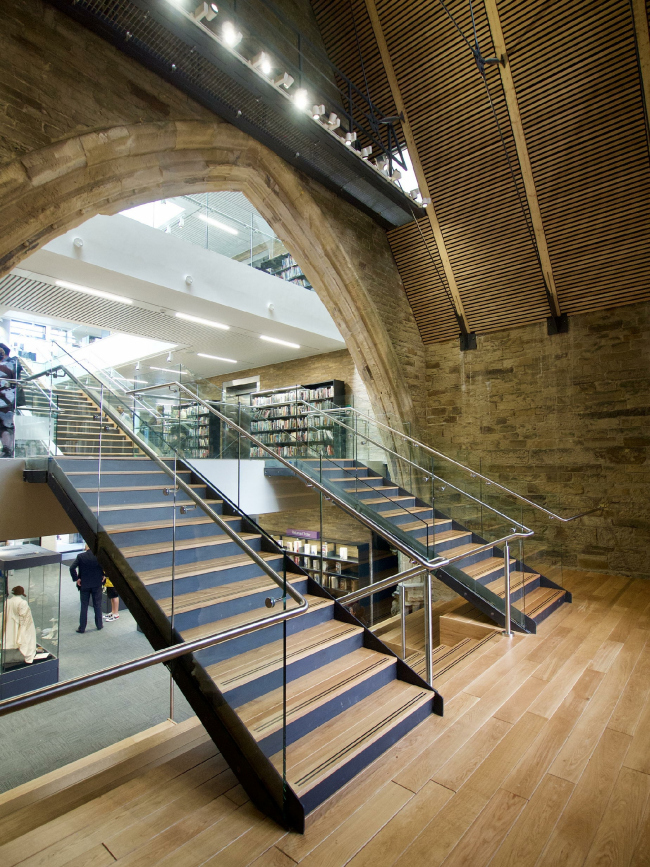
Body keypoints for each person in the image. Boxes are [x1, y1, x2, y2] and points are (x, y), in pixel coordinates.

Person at [69, 546, 105, 633]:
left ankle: (82, 628)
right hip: (97, 584)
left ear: (86, 548)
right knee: (97, 605)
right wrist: (104, 575)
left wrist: (77, 578)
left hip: (84, 584)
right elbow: (108, 566)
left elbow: (72, 568)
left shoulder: (81, 556)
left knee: (84, 606)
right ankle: (99, 625)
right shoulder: (99, 556)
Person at [0, 342, 22, 458]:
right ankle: (8, 450)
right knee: (6, 425)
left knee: (5, 425)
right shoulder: (14, 363)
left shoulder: (7, 364)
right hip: (9, 400)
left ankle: (8, 450)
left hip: (5, 400)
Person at [4, 586, 37, 664]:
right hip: (20, 624)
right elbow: (25, 618)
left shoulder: (8, 601)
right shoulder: (22, 603)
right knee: (23, 638)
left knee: (12, 638)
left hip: (10, 624)